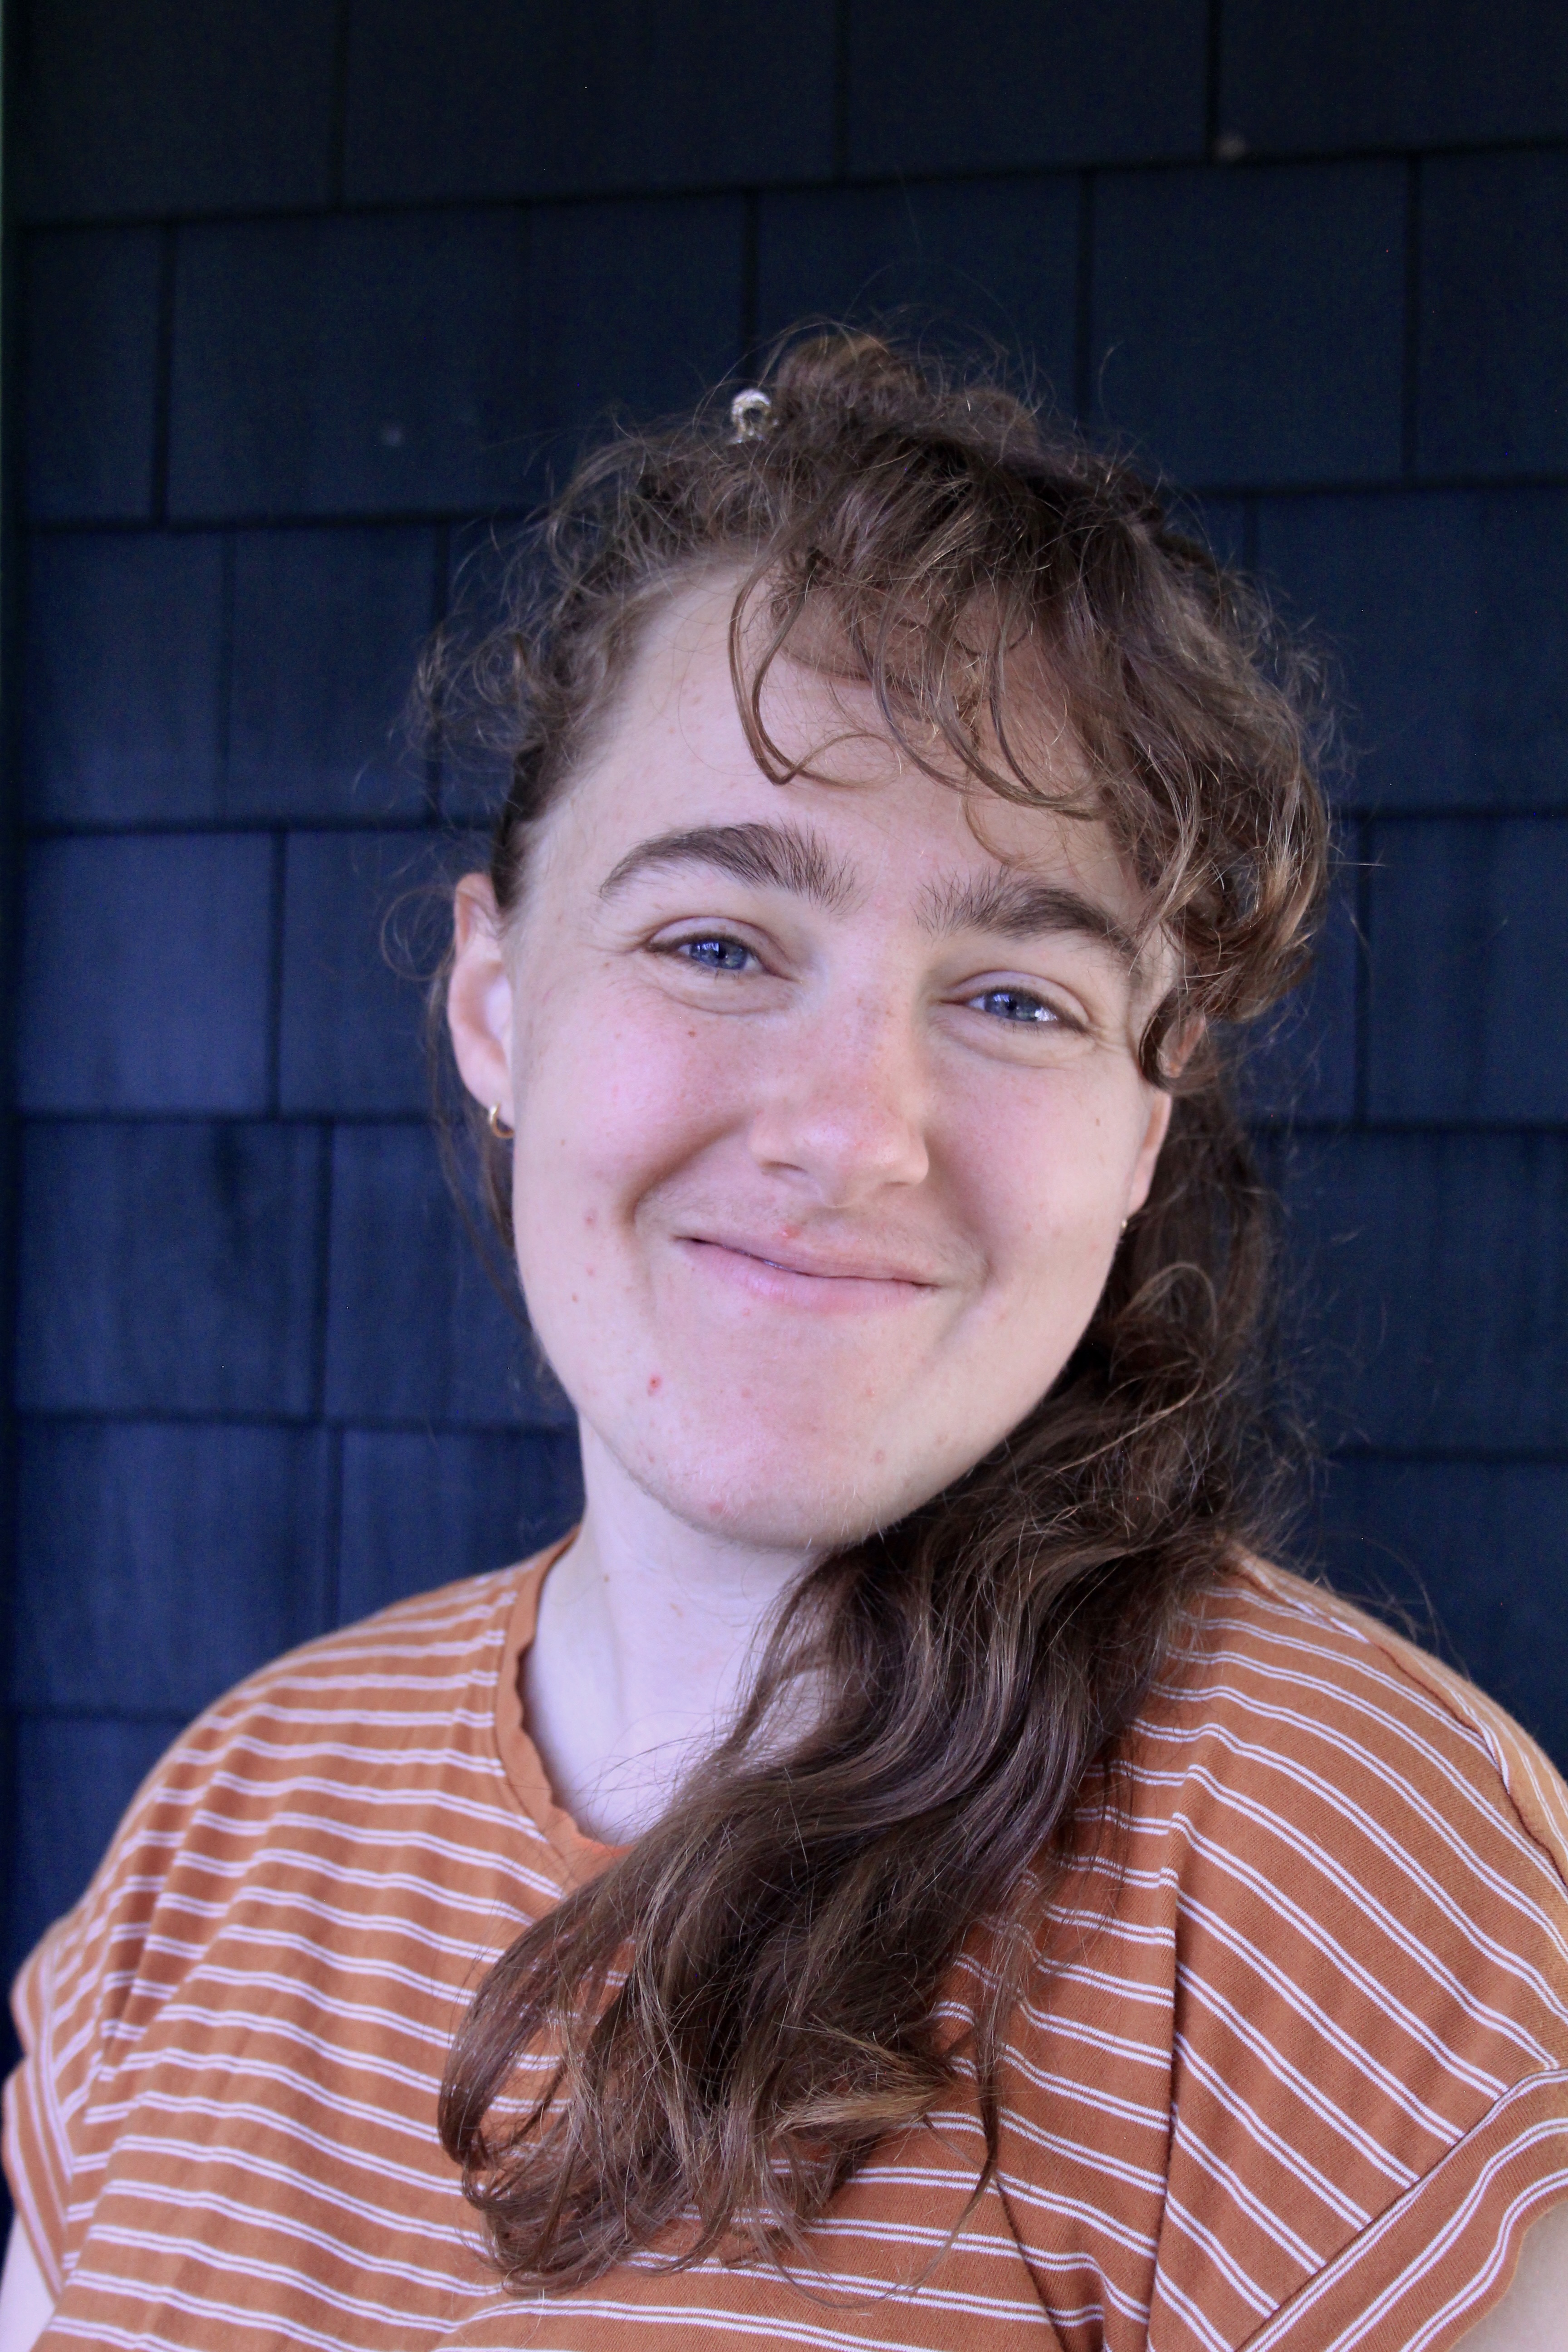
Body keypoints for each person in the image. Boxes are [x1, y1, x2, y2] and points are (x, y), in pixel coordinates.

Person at [3, 334, 1566, 2352]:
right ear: (497, 1003)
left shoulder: (1340, 1875)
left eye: (1016, 997)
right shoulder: (232, 1822)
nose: (851, 1133)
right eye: (719, 944)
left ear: (1141, 1122)